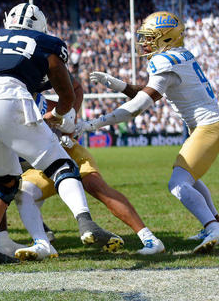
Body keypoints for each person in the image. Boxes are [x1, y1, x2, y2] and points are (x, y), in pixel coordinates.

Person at [0, 3, 121, 266]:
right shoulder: (46, 42)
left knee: (4, 182)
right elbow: (67, 94)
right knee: (62, 165)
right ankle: (86, 222)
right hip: (9, 96)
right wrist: (58, 116)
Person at [78, 11, 219, 254]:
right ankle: (214, 224)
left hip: (208, 125)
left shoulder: (164, 61)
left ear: (166, 38)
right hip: (206, 124)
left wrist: (93, 124)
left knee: (178, 184)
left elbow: (137, 107)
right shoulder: (179, 55)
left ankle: (213, 228)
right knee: (190, 179)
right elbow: (148, 93)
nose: (144, 42)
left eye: (150, 37)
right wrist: (120, 85)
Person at [13, 93, 164, 260]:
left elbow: (72, 103)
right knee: (24, 193)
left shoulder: (40, 100)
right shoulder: (3, 105)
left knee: (96, 186)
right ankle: (42, 243)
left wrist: (66, 127)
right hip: (40, 165)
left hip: (67, 153)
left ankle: (149, 239)